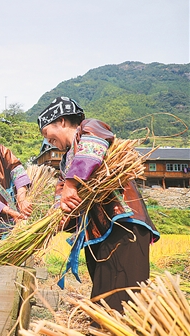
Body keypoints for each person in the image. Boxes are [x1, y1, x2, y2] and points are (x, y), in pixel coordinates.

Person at [37, 96, 160, 312]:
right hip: (97, 236)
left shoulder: (89, 128)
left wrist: (71, 184)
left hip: (123, 226)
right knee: (102, 300)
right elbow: (62, 197)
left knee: (122, 302)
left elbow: (92, 148)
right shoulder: (66, 162)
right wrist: (59, 216)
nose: (48, 142)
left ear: (62, 121)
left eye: (48, 134)